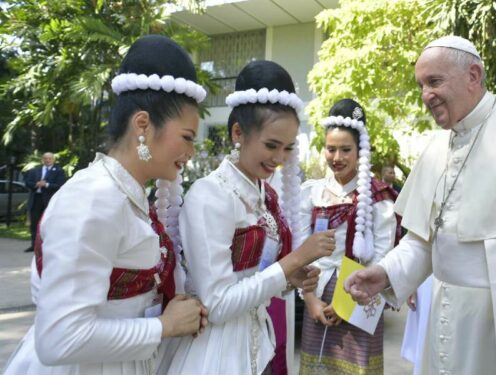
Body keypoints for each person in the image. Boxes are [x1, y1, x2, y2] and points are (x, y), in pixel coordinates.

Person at [344, 35, 496, 374]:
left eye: (435, 81)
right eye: (421, 85)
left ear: (473, 75)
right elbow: (423, 241)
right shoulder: (435, 148)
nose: (426, 95)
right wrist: (384, 273)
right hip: (442, 312)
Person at [3, 34, 208, 375]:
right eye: (187, 137)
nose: (191, 152)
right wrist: (164, 326)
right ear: (142, 124)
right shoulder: (93, 199)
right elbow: (58, 338)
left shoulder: (128, 195)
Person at [160, 60, 336, 375]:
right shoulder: (209, 195)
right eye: (271, 145)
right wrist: (292, 262)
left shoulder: (263, 194)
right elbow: (216, 305)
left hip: (261, 345)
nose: (279, 159)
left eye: (287, 148)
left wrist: (287, 280)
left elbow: (254, 276)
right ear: (238, 132)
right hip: (216, 354)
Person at [298, 99, 399, 374]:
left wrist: (346, 306)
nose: (337, 157)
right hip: (315, 295)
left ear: (360, 151)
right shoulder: (311, 193)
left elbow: (383, 259)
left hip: (358, 296)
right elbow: (299, 252)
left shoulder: (378, 199)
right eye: (331, 149)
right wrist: (310, 300)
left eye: (346, 149)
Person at [23, 152, 65, 252]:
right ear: (42, 159)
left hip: (49, 200)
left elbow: (60, 185)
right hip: (36, 199)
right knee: (34, 223)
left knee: (49, 223)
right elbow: (27, 182)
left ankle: (48, 246)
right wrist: (36, 184)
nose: (48, 160)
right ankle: (34, 246)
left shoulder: (59, 171)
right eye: (46, 158)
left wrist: (46, 185)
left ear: (53, 160)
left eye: (50, 158)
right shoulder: (35, 170)